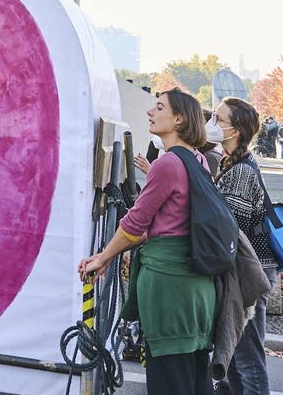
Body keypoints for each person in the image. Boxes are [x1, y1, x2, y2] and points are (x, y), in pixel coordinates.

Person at [79, 89, 214, 395]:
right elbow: (155, 227)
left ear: (178, 119)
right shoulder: (198, 161)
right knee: (194, 378)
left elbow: (135, 223)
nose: (150, 113)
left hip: (170, 288)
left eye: (158, 107)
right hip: (197, 290)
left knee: (168, 380)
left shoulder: (167, 164)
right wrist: (110, 254)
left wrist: (102, 257)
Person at [212, 97, 276, 395]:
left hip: (248, 275)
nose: (212, 124)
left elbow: (229, 229)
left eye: (218, 119)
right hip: (248, 270)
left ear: (234, 130)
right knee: (237, 359)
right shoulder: (233, 162)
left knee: (247, 360)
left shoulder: (240, 171)